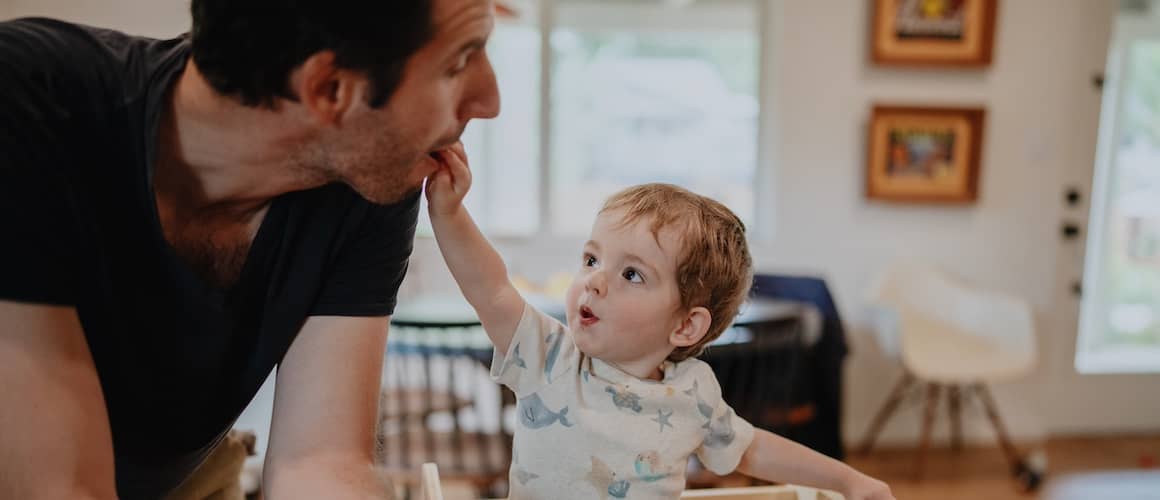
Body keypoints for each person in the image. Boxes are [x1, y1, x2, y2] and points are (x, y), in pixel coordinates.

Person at [0, 0, 500, 498]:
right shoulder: (29, 103)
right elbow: (58, 486)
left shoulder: (366, 175)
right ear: (330, 90)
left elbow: (320, 462)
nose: (489, 99)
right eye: (458, 64)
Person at [425, 145, 895, 499]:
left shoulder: (693, 393)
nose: (595, 282)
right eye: (591, 259)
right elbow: (491, 288)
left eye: (631, 273)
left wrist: (848, 480)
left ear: (686, 326)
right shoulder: (549, 355)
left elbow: (753, 450)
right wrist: (449, 211)